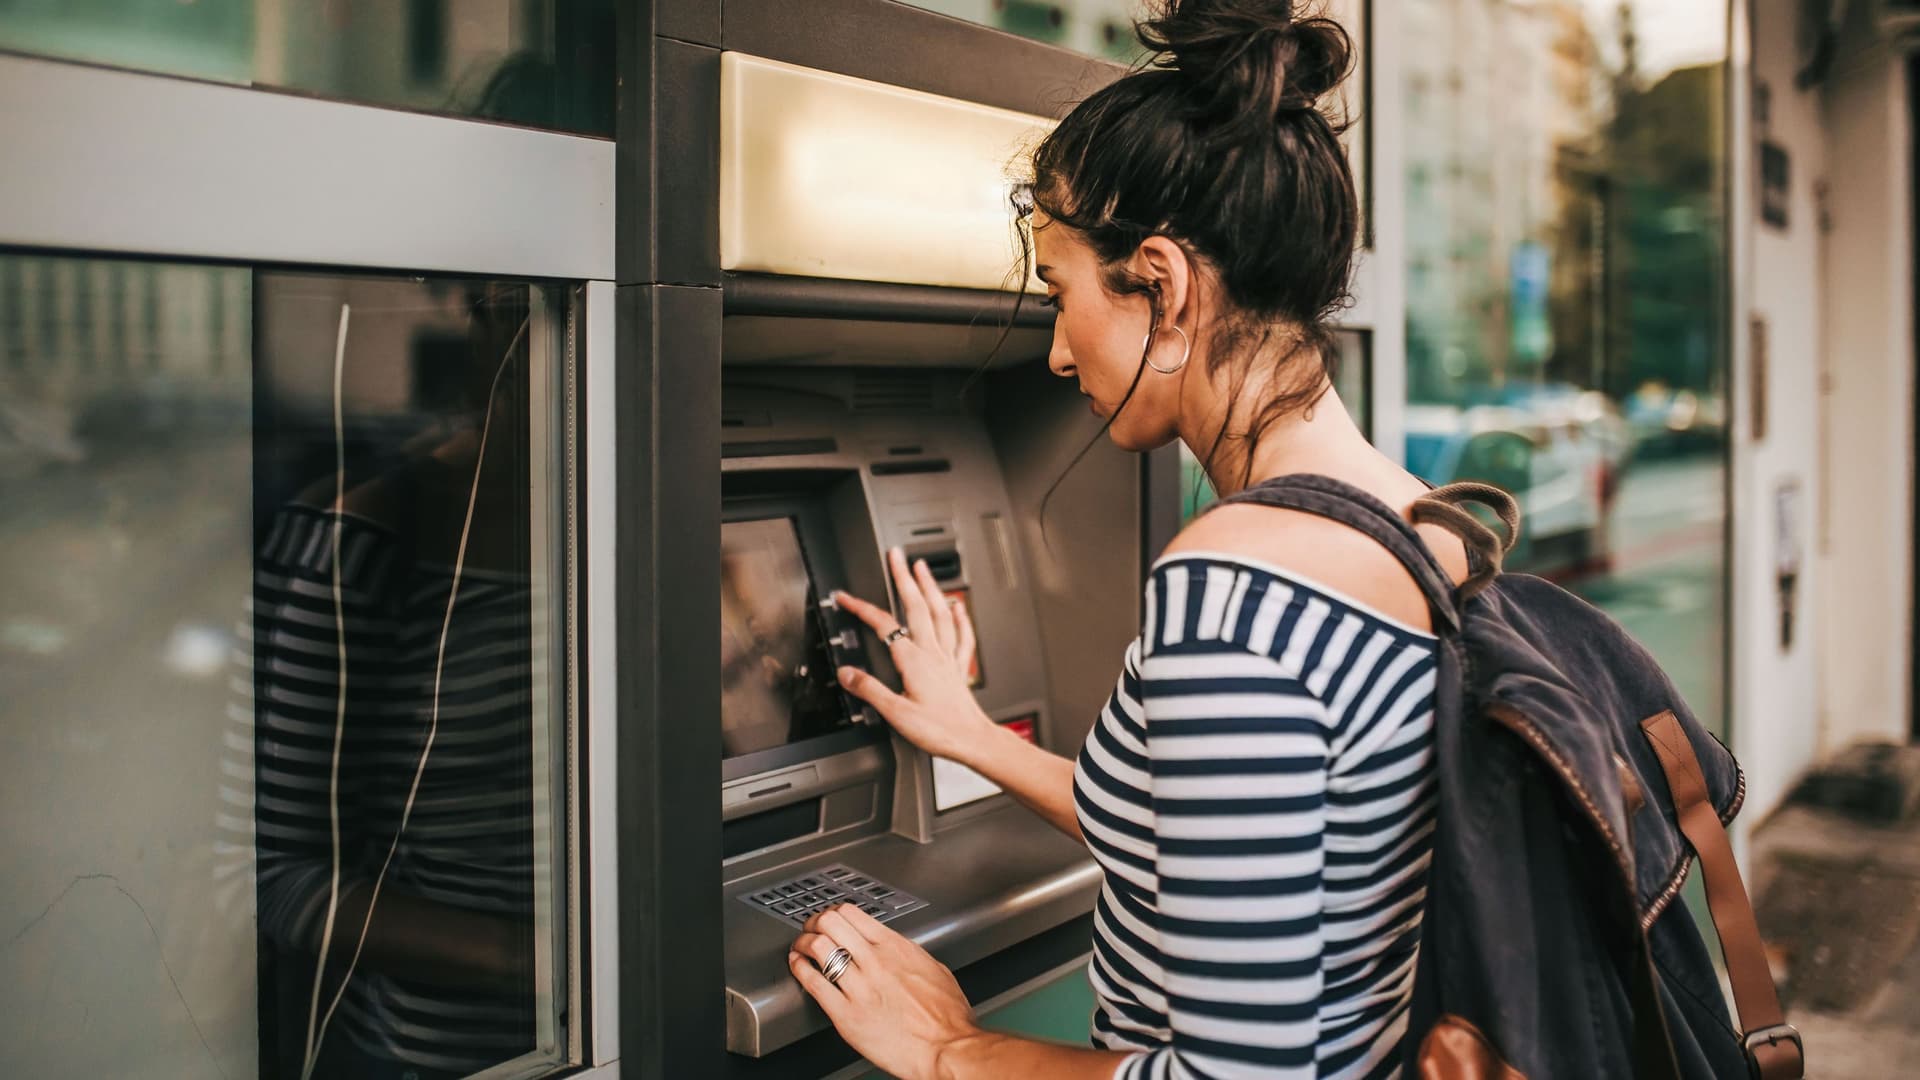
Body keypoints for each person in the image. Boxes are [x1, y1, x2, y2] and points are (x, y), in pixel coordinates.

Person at [784, 2, 1471, 1077]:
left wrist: (950, 1051)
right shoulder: (1413, 519)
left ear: (1163, 282)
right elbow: (1238, 850)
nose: (1058, 355)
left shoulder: (1234, 588)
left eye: (1062, 298)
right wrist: (971, 733)